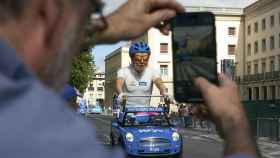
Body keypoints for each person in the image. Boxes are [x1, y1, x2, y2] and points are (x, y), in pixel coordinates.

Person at [0, 0, 259, 158]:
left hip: (148, 113)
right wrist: (235, 122)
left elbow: (158, 82)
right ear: (49, 11)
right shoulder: (45, 133)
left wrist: (109, 26)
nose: (142, 62)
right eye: (92, 8)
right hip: (130, 116)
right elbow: (121, 84)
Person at [116, 41, 170, 106]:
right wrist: (120, 94)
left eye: (145, 58)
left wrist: (164, 92)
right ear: (132, 58)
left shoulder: (153, 72)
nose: (142, 62)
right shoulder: (123, 71)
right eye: (138, 58)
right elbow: (118, 85)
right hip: (127, 112)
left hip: (145, 111)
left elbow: (160, 84)